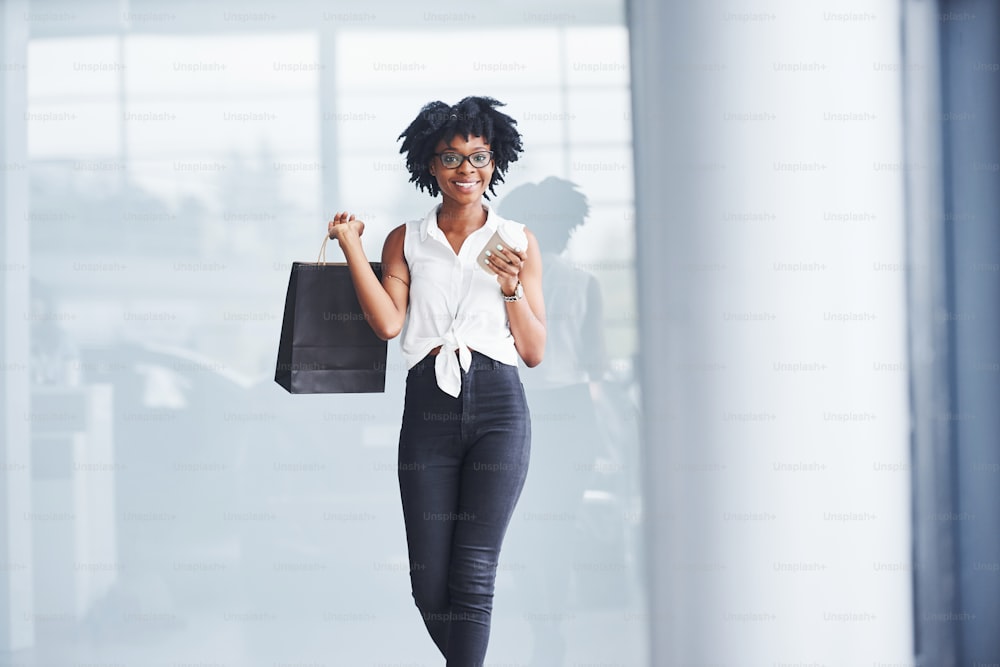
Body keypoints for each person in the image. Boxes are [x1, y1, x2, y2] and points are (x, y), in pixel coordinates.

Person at [325, 95, 546, 666]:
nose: (466, 170)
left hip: (499, 407)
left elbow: (535, 350)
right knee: (429, 583)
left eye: (479, 156)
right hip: (428, 409)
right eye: (451, 158)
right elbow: (389, 324)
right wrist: (354, 248)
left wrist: (511, 289)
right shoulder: (407, 239)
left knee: (473, 574)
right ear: (430, 165)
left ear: (495, 162)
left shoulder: (516, 240)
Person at [497, 178, 608, 665]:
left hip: (515, 409)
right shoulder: (586, 284)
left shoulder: (499, 283)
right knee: (559, 523)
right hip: (571, 412)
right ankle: (553, 622)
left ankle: (538, 618)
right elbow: (597, 363)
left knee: (516, 522)